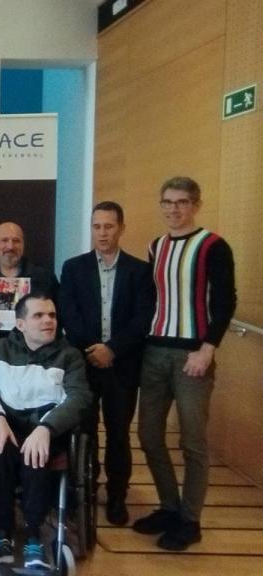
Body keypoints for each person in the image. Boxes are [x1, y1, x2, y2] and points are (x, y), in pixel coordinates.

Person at [131, 176, 236, 551]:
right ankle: (168, 506)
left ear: (196, 205)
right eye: (167, 202)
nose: (174, 209)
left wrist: (208, 349)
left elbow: (226, 300)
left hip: (194, 354)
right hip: (154, 353)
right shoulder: (155, 246)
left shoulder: (213, 245)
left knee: (192, 442)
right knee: (148, 436)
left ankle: (190, 520)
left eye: (182, 202)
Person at [0, 294, 91, 570]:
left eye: (52, 315)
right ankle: (2, 534)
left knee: (35, 454)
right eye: (39, 315)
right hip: (8, 427)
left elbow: (78, 398)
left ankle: (34, 535)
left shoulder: (69, 355)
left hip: (49, 432)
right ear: (21, 323)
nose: (48, 320)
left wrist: (46, 427)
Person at [58, 201, 153, 526]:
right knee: (84, 432)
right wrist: (91, 348)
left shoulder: (140, 271)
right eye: (96, 226)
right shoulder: (73, 267)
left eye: (108, 226)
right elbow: (68, 313)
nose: (102, 232)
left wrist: (111, 349)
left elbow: (143, 319)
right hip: (83, 364)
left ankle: (116, 496)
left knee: (118, 433)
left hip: (122, 365)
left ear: (121, 228)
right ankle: (84, 489)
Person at [0, 222, 58, 384]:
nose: (10, 246)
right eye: (4, 240)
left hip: (33, 356)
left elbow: (58, 314)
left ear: (23, 244)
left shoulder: (43, 277)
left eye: (16, 241)